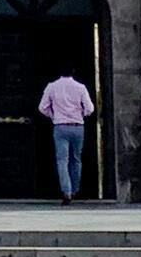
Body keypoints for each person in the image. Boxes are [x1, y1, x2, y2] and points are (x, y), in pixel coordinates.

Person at [36, 69, 96, 201]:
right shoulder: (80, 87)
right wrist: (82, 114)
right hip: (77, 126)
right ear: (73, 72)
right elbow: (90, 108)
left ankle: (66, 191)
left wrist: (53, 116)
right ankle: (75, 189)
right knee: (76, 158)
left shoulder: (52, 86)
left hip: (60, 126)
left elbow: (42, 107)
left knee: (62, 160)